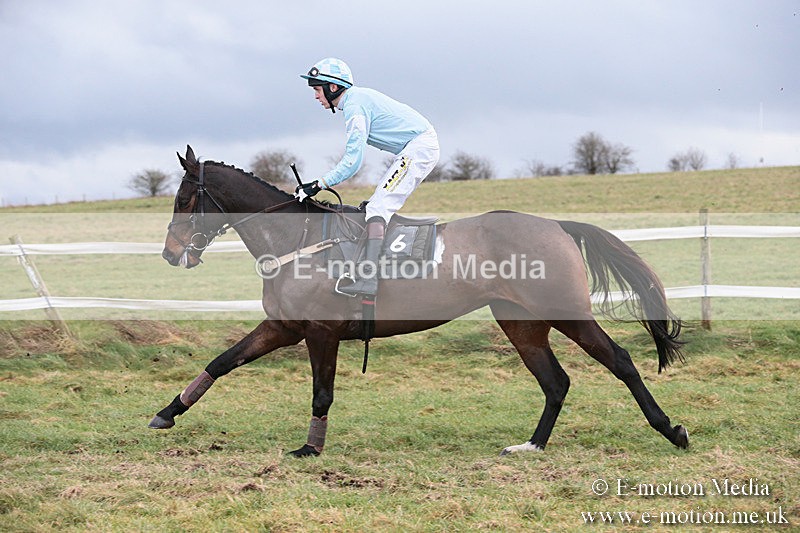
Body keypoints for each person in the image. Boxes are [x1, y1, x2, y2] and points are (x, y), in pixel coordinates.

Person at [297, 57, 440, 297]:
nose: (315, 96)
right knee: (376, 205)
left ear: (333, 88)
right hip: (415, 147)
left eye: (317, 89)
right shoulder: (355, 101)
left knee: (378, 207)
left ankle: (369, 279)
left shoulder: (354, 106)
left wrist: (317, 184)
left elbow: (352, 162)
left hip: (419, 147)